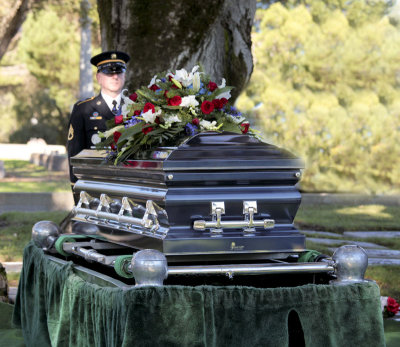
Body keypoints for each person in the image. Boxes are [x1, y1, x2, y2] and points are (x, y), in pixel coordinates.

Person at [67, 50, 130, 187]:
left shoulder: (136, 108)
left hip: (130, 182)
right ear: (99, 78)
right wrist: (76, 187)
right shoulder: (83, 109)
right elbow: (75, 153)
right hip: (96, 183)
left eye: (119, 72)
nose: (115, 77)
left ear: (124, 76)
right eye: (109, 73)